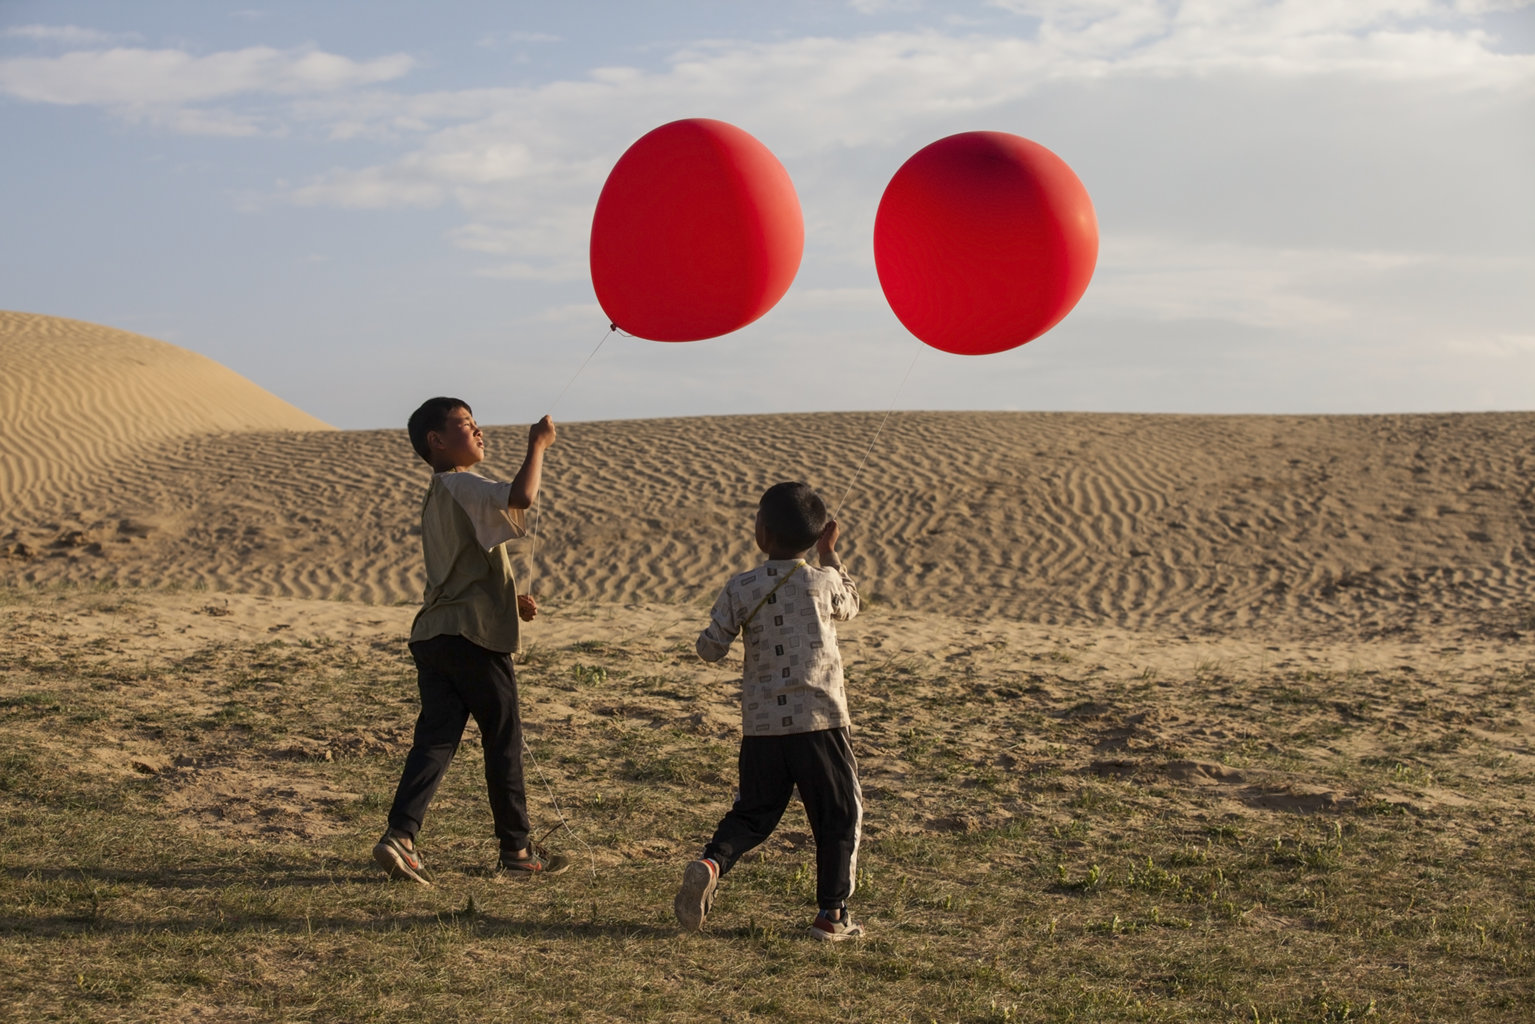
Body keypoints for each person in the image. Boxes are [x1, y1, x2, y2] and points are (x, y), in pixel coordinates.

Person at [372, 396, 569, 884]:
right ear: (436, 441)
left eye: (477, 423)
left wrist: (510, 601)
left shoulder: (438, 494)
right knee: (502, 740)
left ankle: (400, 835)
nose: (478, 432)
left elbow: (464, 567)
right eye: (465, 424)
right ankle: (518, 851)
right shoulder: (460, 482)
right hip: (471, 637)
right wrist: (537, 445)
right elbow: (522, 497)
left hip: (435, 634)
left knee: (436, 739)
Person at [675, 481, 865, 940]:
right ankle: (832, 914)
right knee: (838, 814)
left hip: (761, 727)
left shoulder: (740, 586)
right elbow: (852, 603)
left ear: (762, 534)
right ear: (818, 535)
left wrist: (708, 639)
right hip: (820, 722)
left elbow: (711, 649)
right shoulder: (824, 582)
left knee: (754, 811)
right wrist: (831, 554)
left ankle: (712, 861)